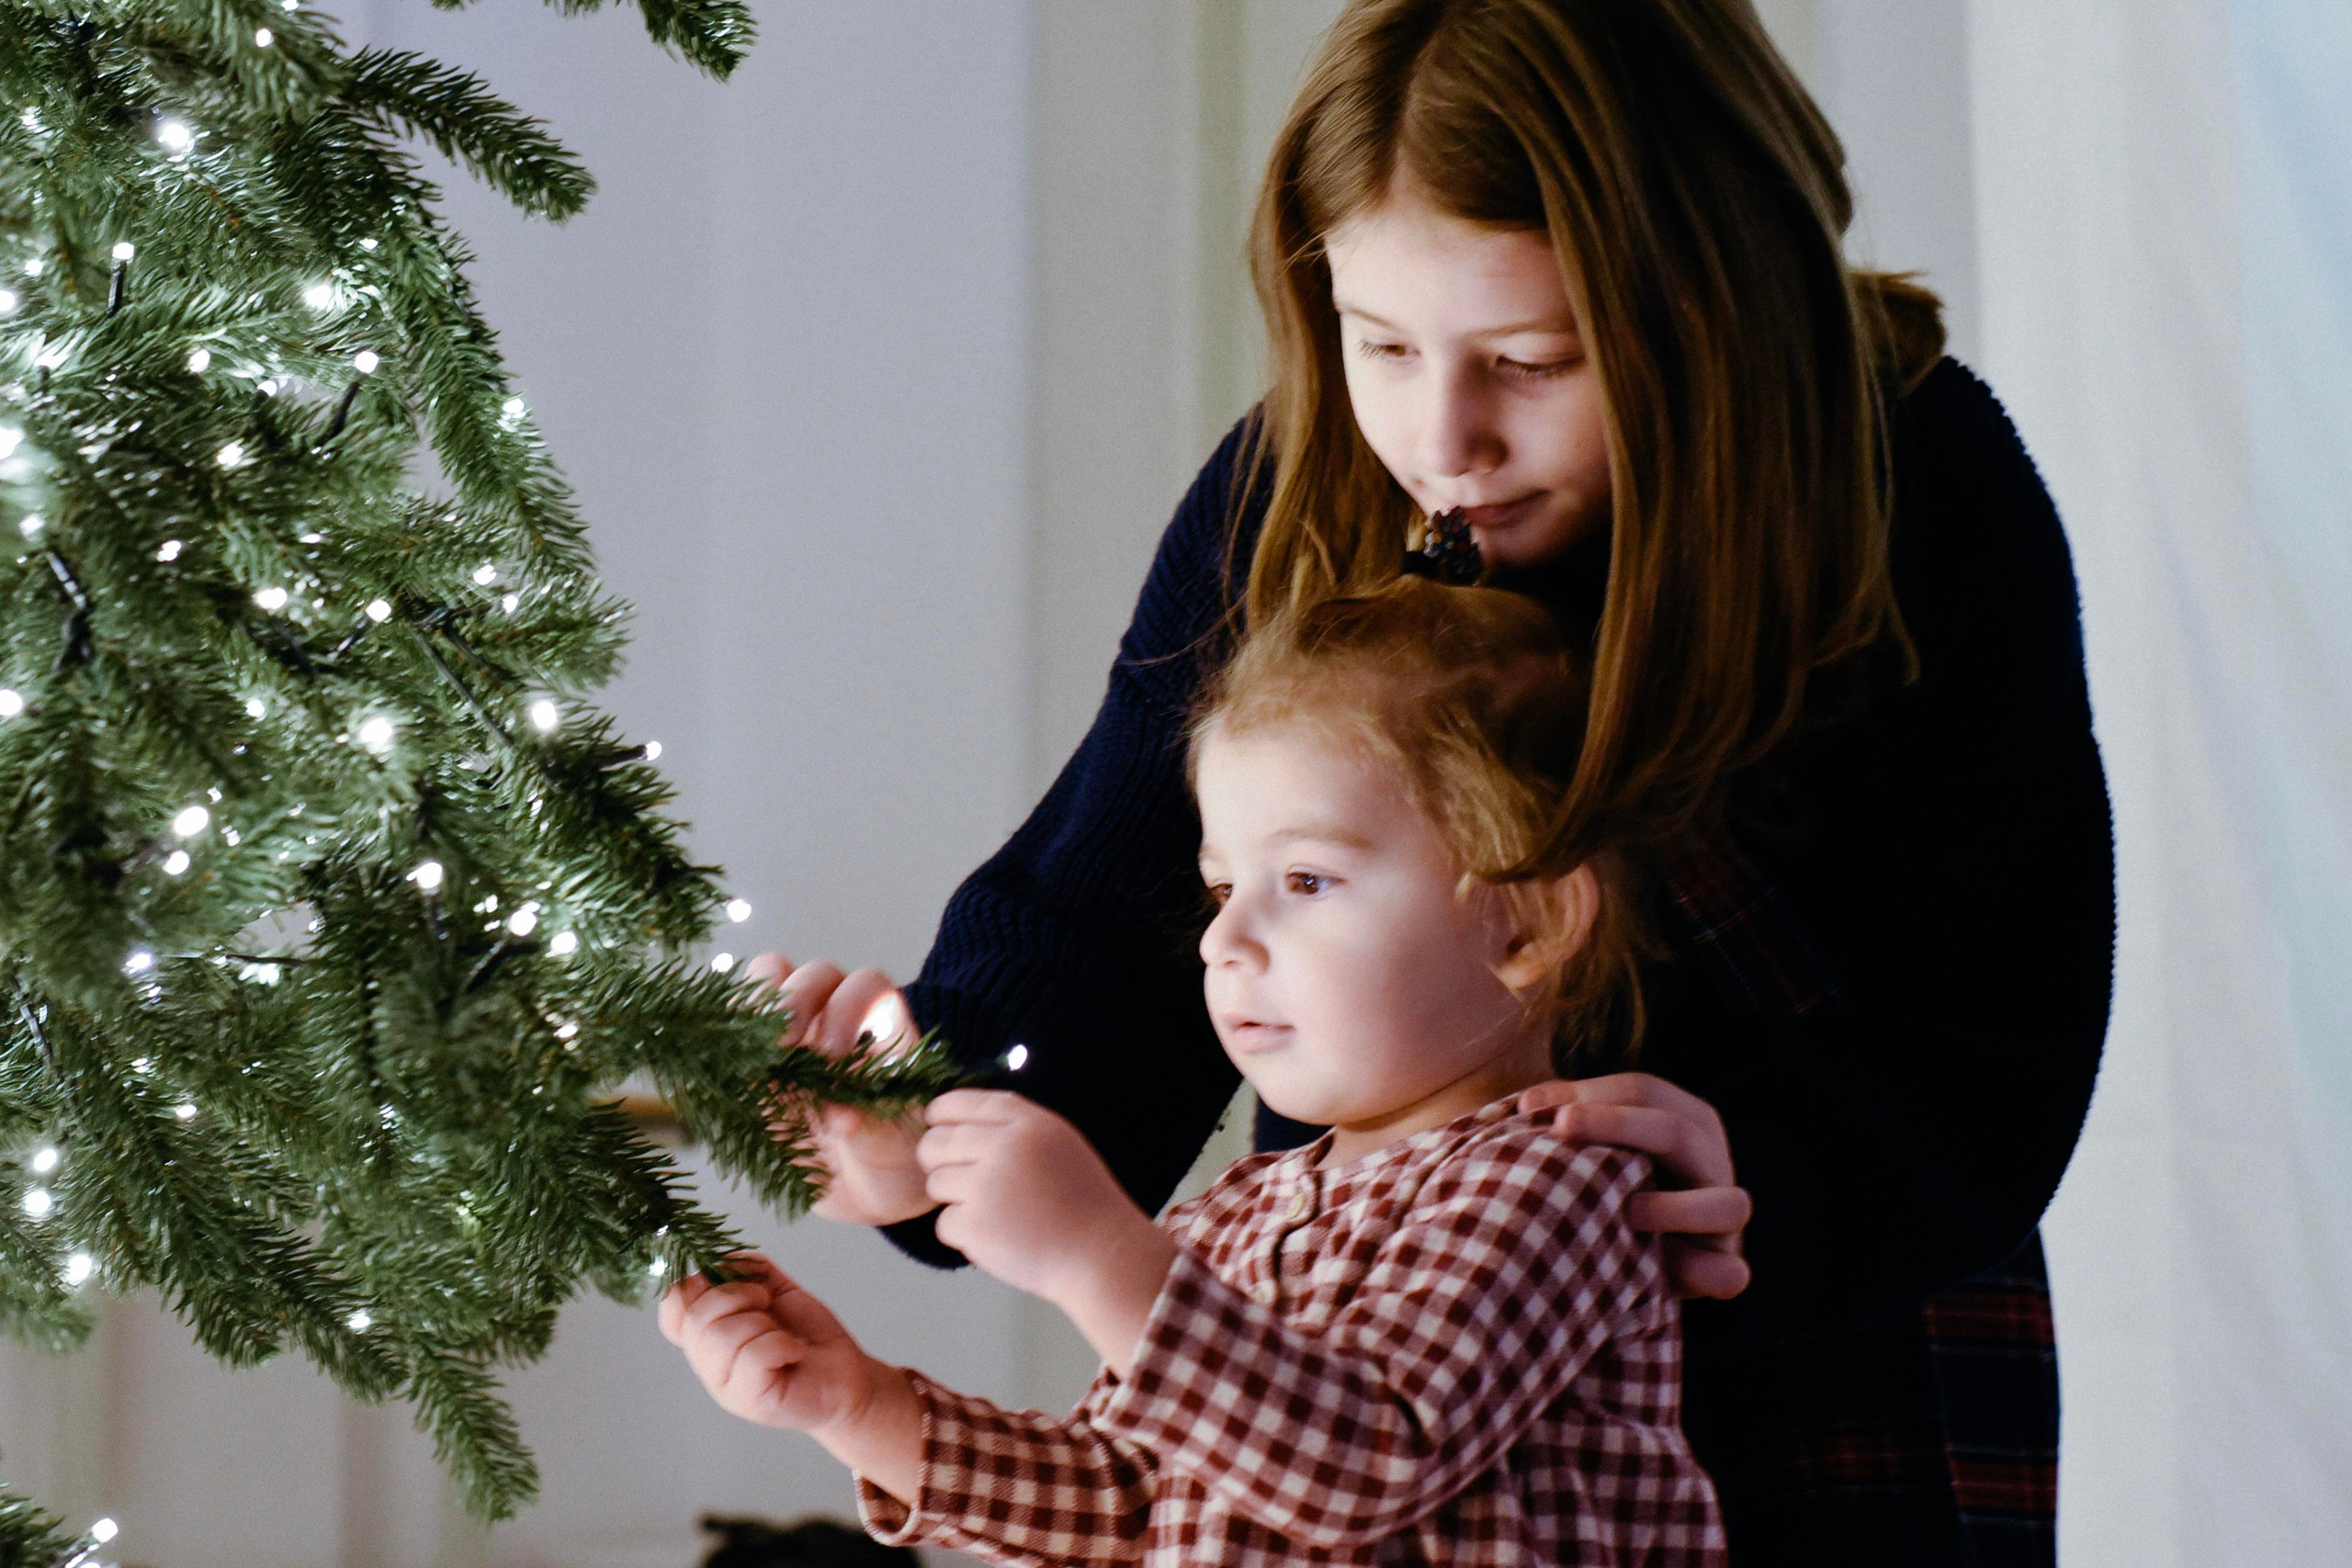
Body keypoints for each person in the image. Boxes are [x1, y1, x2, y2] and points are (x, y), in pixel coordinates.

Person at [753, 2, 2113, 1562]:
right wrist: (919, 1135)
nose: (1445, 438)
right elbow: (1102, 943)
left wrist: (1756, 1180)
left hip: (1821, 1395)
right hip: (1341, 1416)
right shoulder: (1291, 488)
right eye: (1382, 343)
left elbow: (1997, 1055)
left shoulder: (1916, 484)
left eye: (1534, 360)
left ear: (1712, 298)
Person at [668, 581, 1726, 1566]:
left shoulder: (1559, 1186)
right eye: (1223, 889)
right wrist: (857, 1406)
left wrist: (1098, 1256)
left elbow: (1371, 1458)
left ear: (1526, 923)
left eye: (1306, 879)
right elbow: (1123, 1503)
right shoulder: (1230, 1216)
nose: (1226, 942)